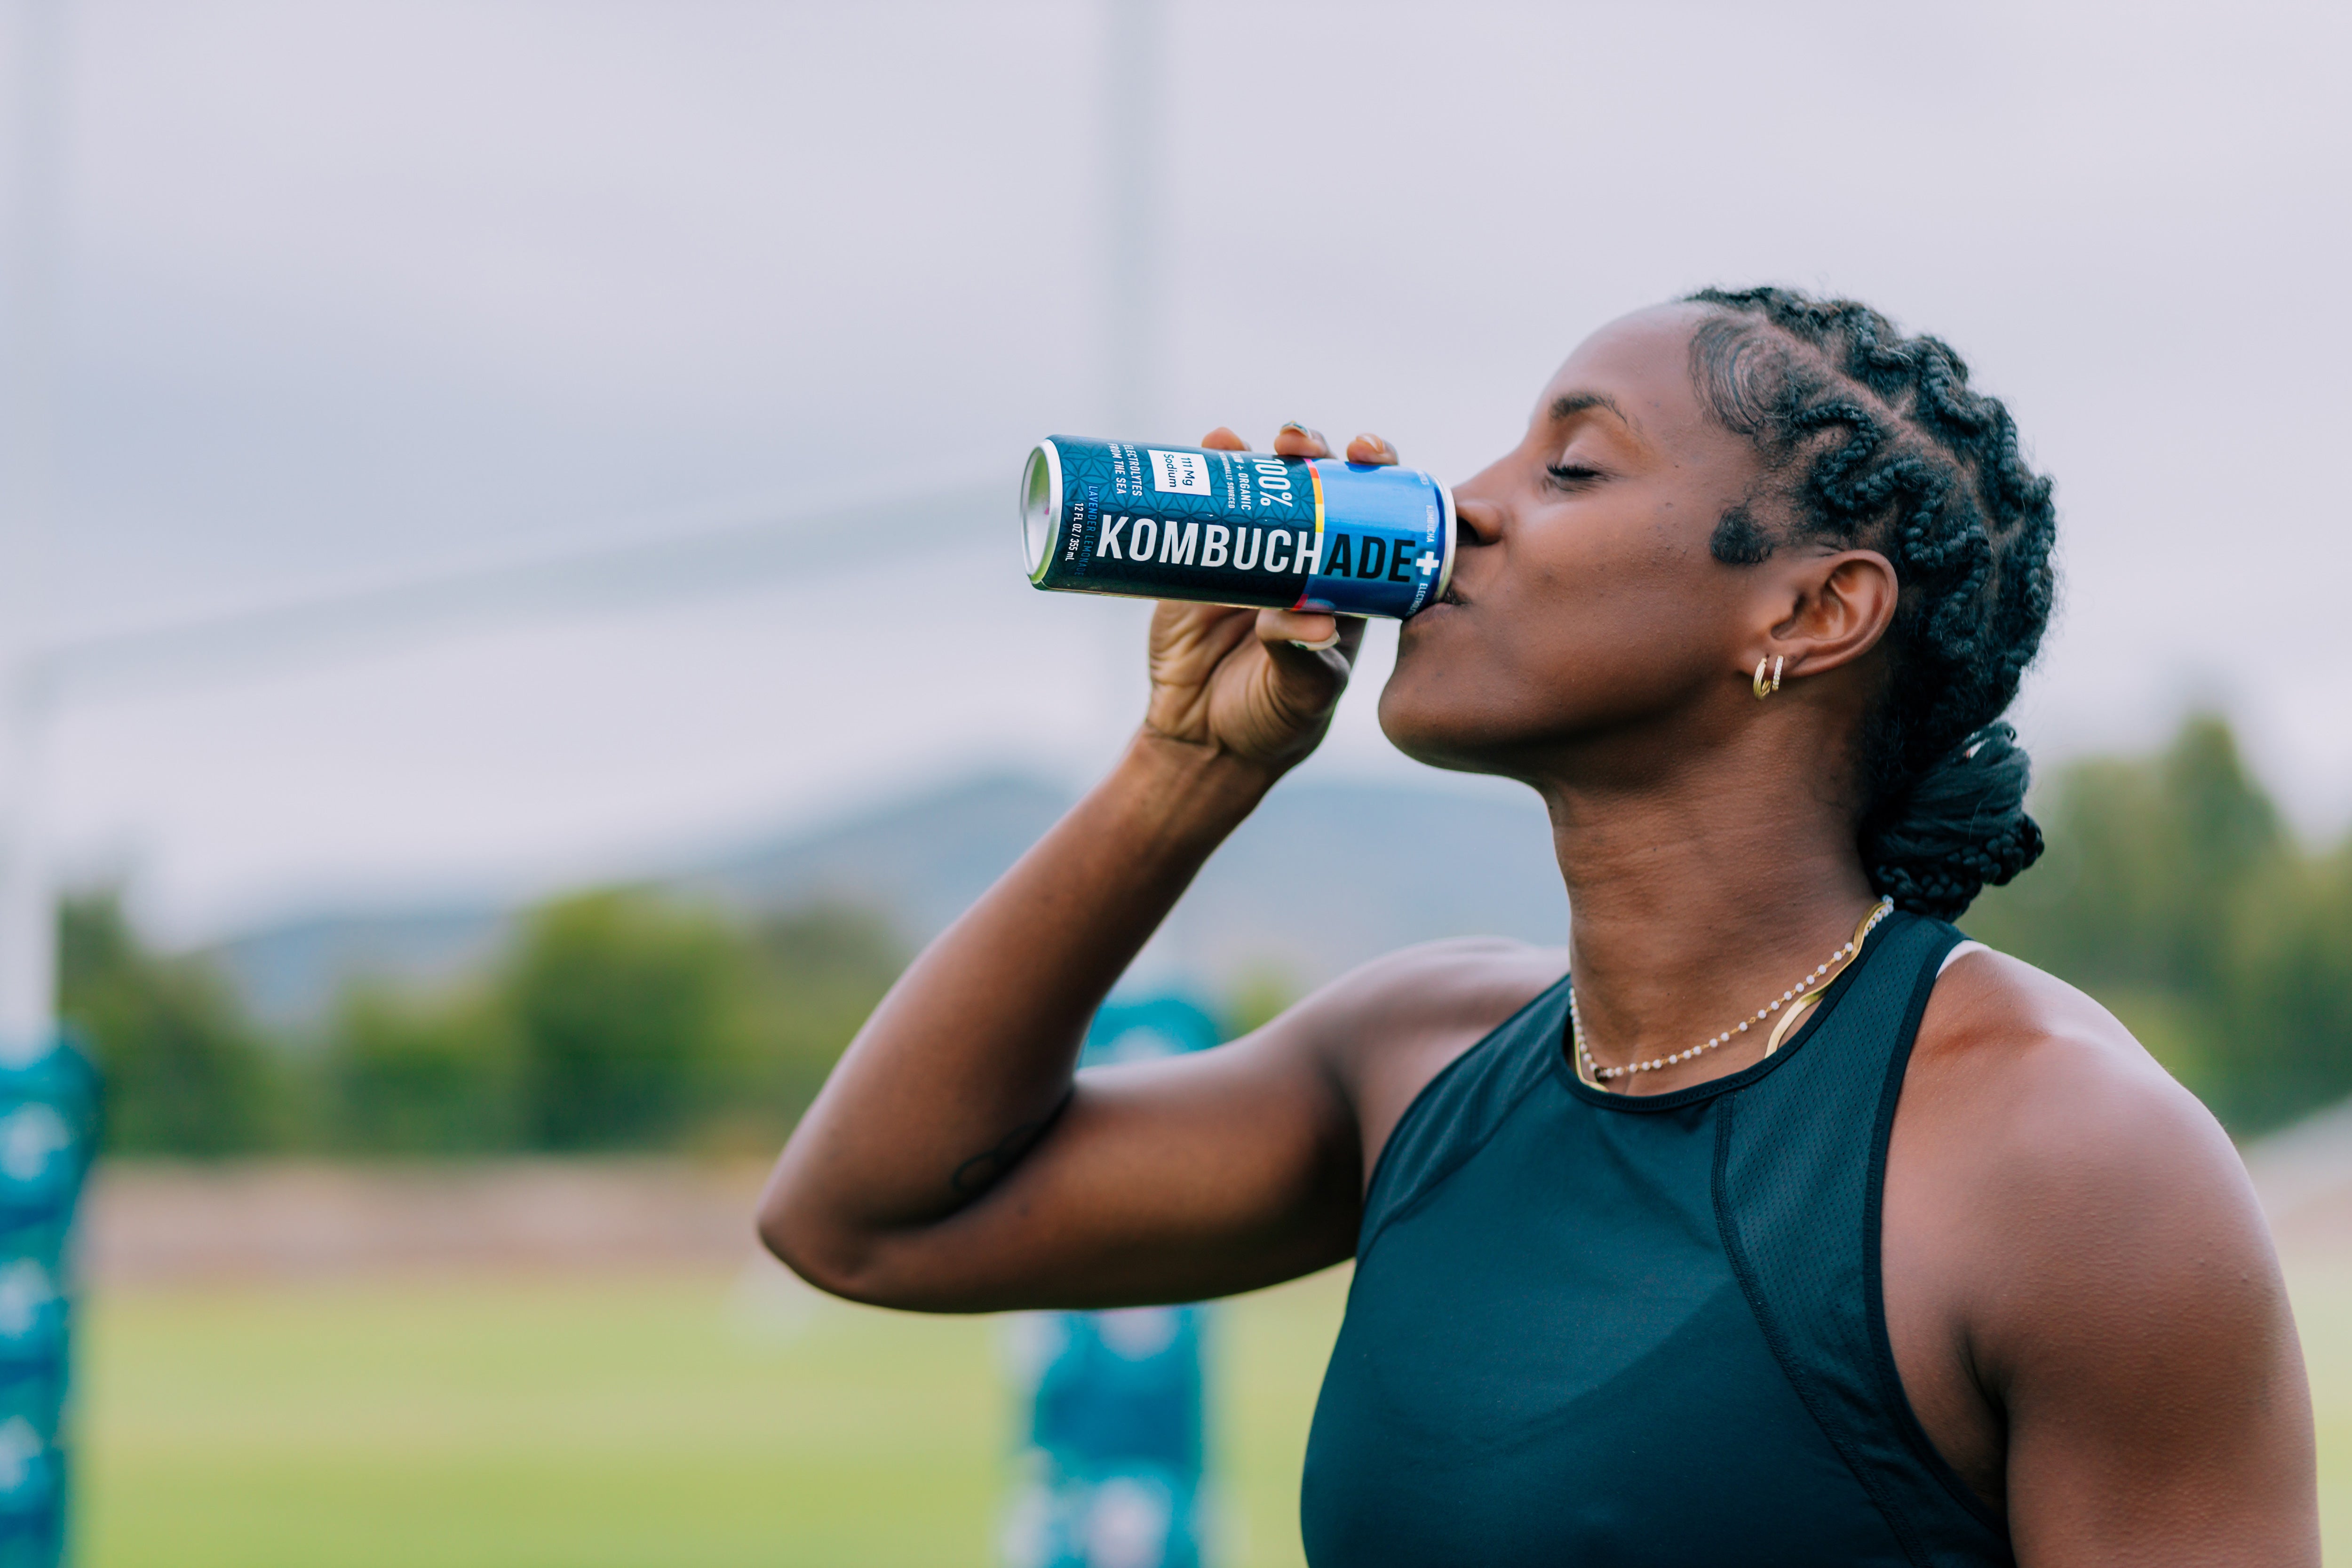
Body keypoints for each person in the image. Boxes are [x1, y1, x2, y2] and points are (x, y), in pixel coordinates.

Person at [759, 287, 2319, 1564]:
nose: (1460, 509)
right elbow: (869, 1222)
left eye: (1571, 468)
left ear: (1810, 612)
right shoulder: (1417, 1059)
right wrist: (1189, 767)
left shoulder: (2064, 1158)